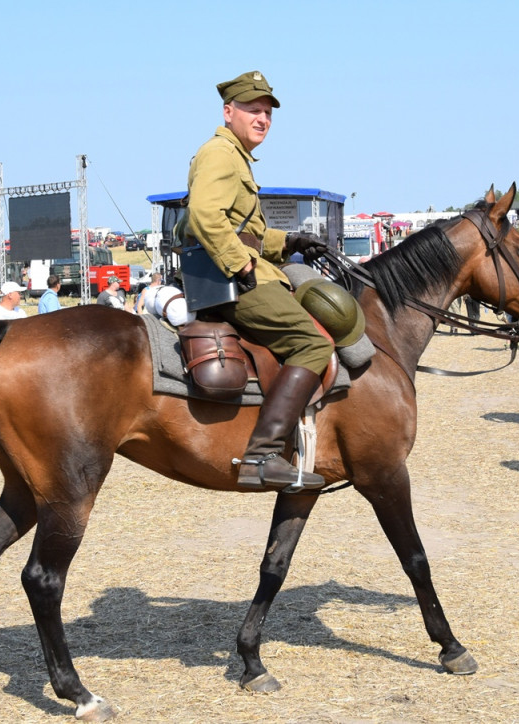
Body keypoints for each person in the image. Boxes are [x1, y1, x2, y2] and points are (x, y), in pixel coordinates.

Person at [185, 70, 333, 490]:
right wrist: (242, 265)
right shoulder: (219, 153)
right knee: (312, 342)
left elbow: (244, 229)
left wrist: (291, 240)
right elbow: (204, 216)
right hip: (226, 278)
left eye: (267, 112)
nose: (263, 118)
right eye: (253, 110)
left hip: (234, 269)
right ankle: (263, 456)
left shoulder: (236, 156)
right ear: (228, 112)